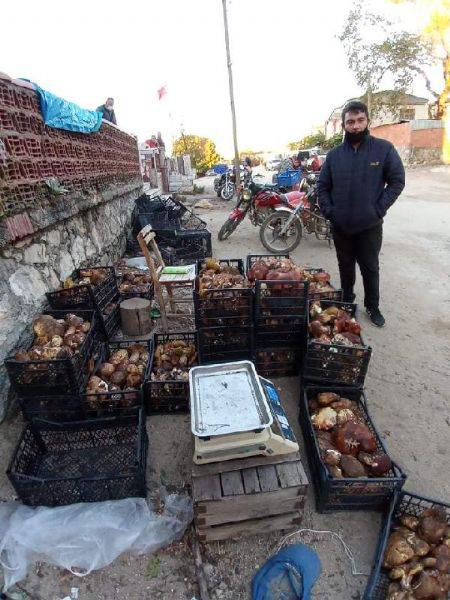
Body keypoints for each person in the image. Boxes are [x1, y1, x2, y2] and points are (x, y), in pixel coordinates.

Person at [317, 100, 405, 327]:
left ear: (367, 121)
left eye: (360, 121)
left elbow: (397, 181)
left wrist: (378, 208)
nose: (355, 126)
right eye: (350, 122)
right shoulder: (335, 156)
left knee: (370, 267)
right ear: (344, 126)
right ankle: (347, 301)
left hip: (369, 225)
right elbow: (322, 187)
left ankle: (372, 306)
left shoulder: (383, 149)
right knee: (345, 267)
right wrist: (330, 212)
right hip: (341, 226)